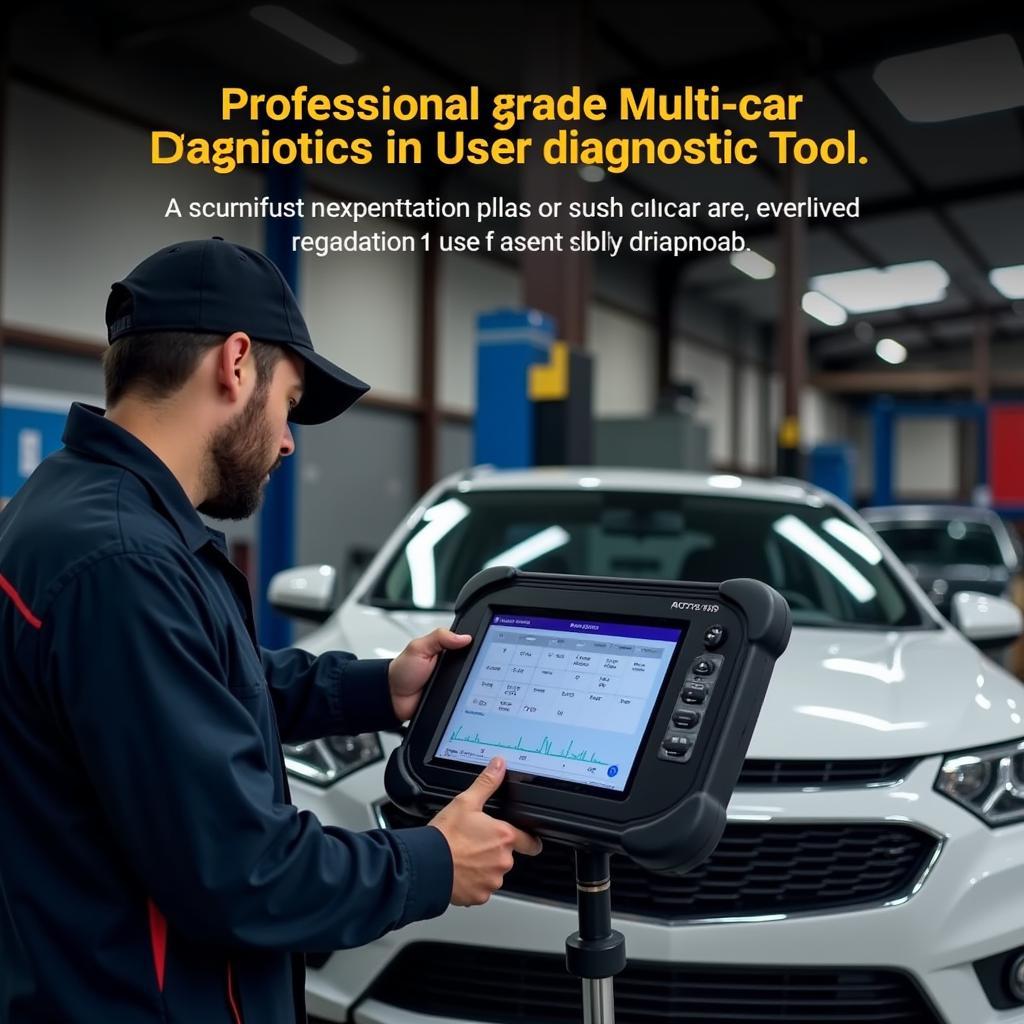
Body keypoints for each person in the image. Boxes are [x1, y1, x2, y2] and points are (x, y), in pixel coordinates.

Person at [0, 237, 542, 1023]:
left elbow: (200, 684)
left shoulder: (70, 512)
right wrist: (432, 860)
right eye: (289, 404)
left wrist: (375, 687)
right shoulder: (123, 563)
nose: (288, 440)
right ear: (237, 362)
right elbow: (239, 872)